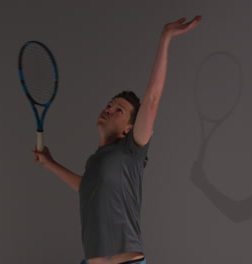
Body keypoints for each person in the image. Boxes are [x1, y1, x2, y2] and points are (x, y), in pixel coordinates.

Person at [32, 15, 202, 264]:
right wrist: (50, 163)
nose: (109, 109)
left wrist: (165, 38)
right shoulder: (95, 161)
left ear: (128, 129)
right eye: (110, 105)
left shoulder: (132, 150)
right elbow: (87, 187)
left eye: (118, 110)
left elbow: (152, 99)